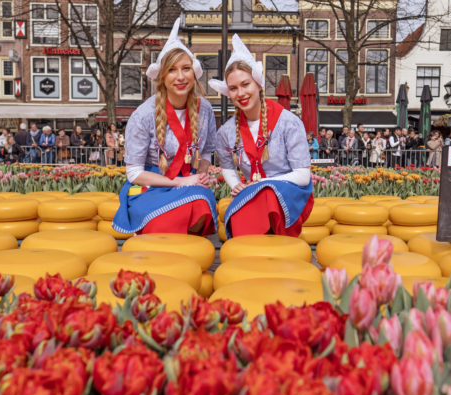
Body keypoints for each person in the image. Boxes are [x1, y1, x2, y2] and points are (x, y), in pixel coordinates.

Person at [111, 18, 217, 237]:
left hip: (189, 181)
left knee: (201, 204)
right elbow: (134, 173)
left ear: (194, 73)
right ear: (161, 77)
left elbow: (206, 151)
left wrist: (202, 175)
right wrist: (181, 181)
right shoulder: (142, 115)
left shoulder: (205, 109)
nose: (180, 77)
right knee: (165, 219)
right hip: (152, 186)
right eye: (172, 70)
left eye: (185, 68)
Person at [208, 34, 311, 239]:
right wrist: (235, 184)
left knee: (269, 196)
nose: (240, 93)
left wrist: (261, 184)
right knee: (242, 214)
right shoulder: (226, 132)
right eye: (234, 88)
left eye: (245, 84)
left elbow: (303, 176)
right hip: (253, 191)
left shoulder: (288, 122)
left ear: (258, 84)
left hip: (289, 193)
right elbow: (227, 166)